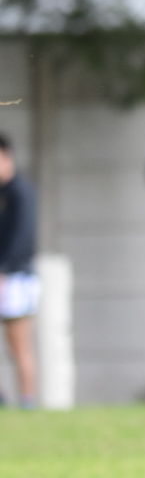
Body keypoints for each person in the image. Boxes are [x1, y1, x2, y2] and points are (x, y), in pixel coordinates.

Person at [0, 133, 39, 410]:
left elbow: (21, 239)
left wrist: (4, 270)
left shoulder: (21, 191)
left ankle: (27, 401)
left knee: (18, 343)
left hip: (16, 278)